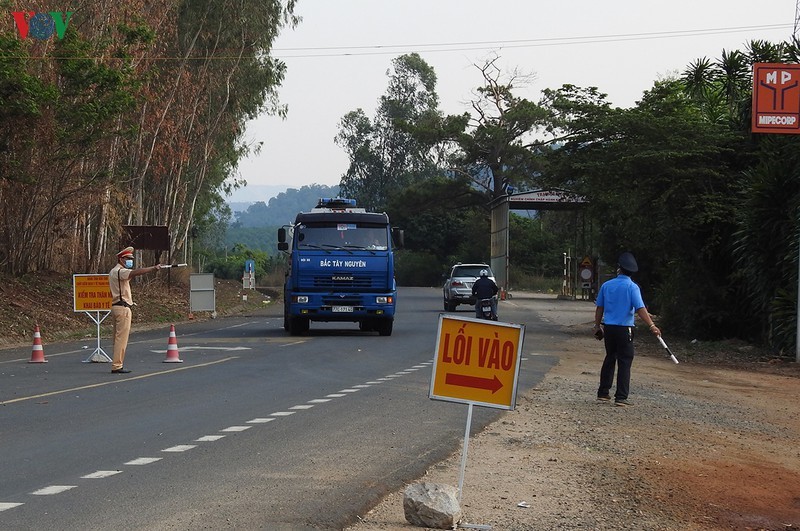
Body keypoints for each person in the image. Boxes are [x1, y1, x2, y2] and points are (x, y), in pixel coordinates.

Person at [593, 252, 660, 406]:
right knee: (625, 360)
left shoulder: (607, 285)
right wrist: (652, 325)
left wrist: (597, 326)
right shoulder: (632, 287)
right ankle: (621, 397)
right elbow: (640, 308)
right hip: (625, 329)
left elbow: (599, 307)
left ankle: (603, 393)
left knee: (610, 357)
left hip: (609, 328)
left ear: (619, 269)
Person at [108, 246, 162, 374]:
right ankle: (117, 365)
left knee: (117, 338)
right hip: (122, 308)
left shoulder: (113, 272)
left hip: (116, 307)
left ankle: (116, 363)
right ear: (121, 259)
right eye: (128, 259)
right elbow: (135, 272)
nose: (130, 261)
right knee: (122, 338)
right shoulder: (120, 271)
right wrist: (153, 268)